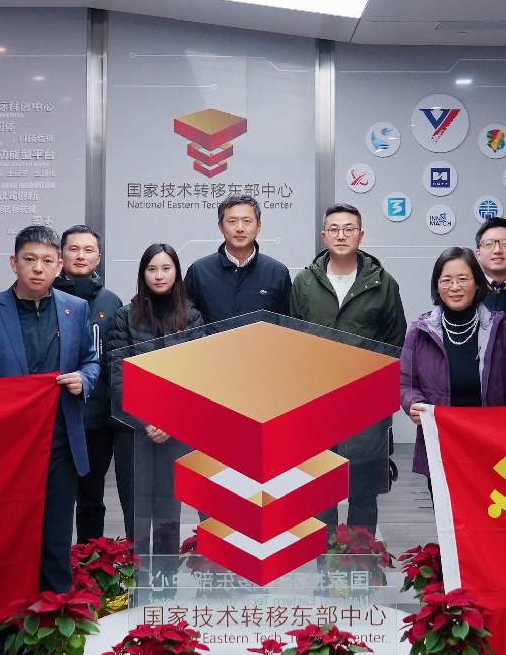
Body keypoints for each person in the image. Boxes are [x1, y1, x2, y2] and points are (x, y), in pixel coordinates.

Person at [0, 223, 101, 655]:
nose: (38, 268)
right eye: (29, 260)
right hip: (6, 454)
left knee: (55, 549)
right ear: (13, 263)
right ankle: (8, 648)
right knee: (7, 551)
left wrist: (85, 379)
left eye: (47, 261)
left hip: (60, 444)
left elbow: (92, 361)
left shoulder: (76, 309)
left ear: (59, 265)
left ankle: (54, 647)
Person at [290, 204, 408, 532]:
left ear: (361, 235)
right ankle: (323, 558)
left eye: (349, 229)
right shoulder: (304, 282)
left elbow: (395, 342)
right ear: (323, 235)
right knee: (320, 492)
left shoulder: (383, 283)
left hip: (364, 405)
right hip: (316, 404)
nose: (341, 235)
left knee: (364, 492)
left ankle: (361, 556)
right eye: (334, 229)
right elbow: (292, 340)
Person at [109, 244, 206, 560]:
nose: (159, 275)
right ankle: (136, 580)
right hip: (134, 432)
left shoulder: (191, 317)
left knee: (168, 513)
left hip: (175, 435)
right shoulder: (125, 316)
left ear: (176, 272)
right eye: (152, 269)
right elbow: (119, 375)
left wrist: (170, 420)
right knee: (135, 513)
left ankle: (166, 581)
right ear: (142, 274)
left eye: (166, 268)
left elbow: (197, 376)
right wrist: (147, 420)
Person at [400, 246, 506, 470]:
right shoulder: (420, 332)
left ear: (477, 283)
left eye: (463, 279)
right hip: (441, 444)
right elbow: (406, 384)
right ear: (437, 286)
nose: (455, 287)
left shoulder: (502, 330)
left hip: (494, 446)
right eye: (446, 280)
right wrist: (414, 403)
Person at [57, 225, 133, 543]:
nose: (81, 256)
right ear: (61, 255)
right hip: (55, 417)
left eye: (88, 250)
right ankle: (54, 566)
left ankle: (90, 562)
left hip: (98, 420)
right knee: (56, 497)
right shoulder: (46, 297)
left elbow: (117, 362)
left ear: (99, 257)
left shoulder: (111, 302)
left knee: (91, 496)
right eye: (73, 249)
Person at [183, 195, 290, 325]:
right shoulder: (199, 271)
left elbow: (287, 326)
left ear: (258, 226)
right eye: (232, 221)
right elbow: (185, 320)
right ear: (220, 227)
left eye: (247, 221)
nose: (240, 228)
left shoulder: (277, 272)